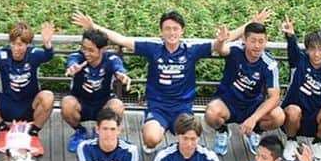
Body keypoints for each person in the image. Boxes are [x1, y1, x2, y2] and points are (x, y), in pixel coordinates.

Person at [73, 10, 224, 152]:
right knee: (150, 139)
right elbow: (122, 40)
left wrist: (238, 31)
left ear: (181, 31)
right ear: (161, 31)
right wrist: (94, 27)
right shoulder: (153, 48)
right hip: (157, 107)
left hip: (182, 107)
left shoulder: (191, 50)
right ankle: (151, 131)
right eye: (167, 28)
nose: (172, 32)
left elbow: (218, 44)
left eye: (175, 29)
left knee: (188, 141)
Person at [206, 16, 284, 156]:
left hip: (252, 105)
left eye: (261, 41)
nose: (257, 46)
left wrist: (253, 119)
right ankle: (222, 131)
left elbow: (275, 97)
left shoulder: (269, 63)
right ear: (244, 40)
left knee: (278, 116)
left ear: (266, 41)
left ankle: (255, 132)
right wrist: (221, 39)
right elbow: (219, 49)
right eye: (253, 41)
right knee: (211, 112)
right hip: (228, 103)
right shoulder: (236, 50)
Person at [0, 21, 56, 143]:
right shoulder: (3, 54)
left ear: (27, 44)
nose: (16, 48)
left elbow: (48, 56)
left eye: (20, 45)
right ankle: (3, 129)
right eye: (13, 44)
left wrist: (47, 43)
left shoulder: (33, 54)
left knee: (48, 96)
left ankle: (33, 133)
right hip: (8, 103)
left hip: (29, 105)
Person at [61, 28, 131, 153]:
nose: (86, 53)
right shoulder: (77, 57)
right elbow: (72, 61)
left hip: (102, 103)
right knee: (67, 103)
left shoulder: (111, 59)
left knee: (118, 106)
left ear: (102, 49)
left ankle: (99, 132)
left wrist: (122, 75)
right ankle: (79, 131)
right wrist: (72, 68)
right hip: (81, 102)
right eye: (84, 48)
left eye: (91, 50)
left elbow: (118, 67)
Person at [279, 18, 321, 161]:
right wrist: (290, 34)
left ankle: (317, 144)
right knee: (292, 110)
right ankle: (291, 141)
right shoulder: (299, 61)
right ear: (307, 49)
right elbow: (292, 48)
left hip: (315, 116)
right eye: (312, 49)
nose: (316, 54)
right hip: (293, 116)